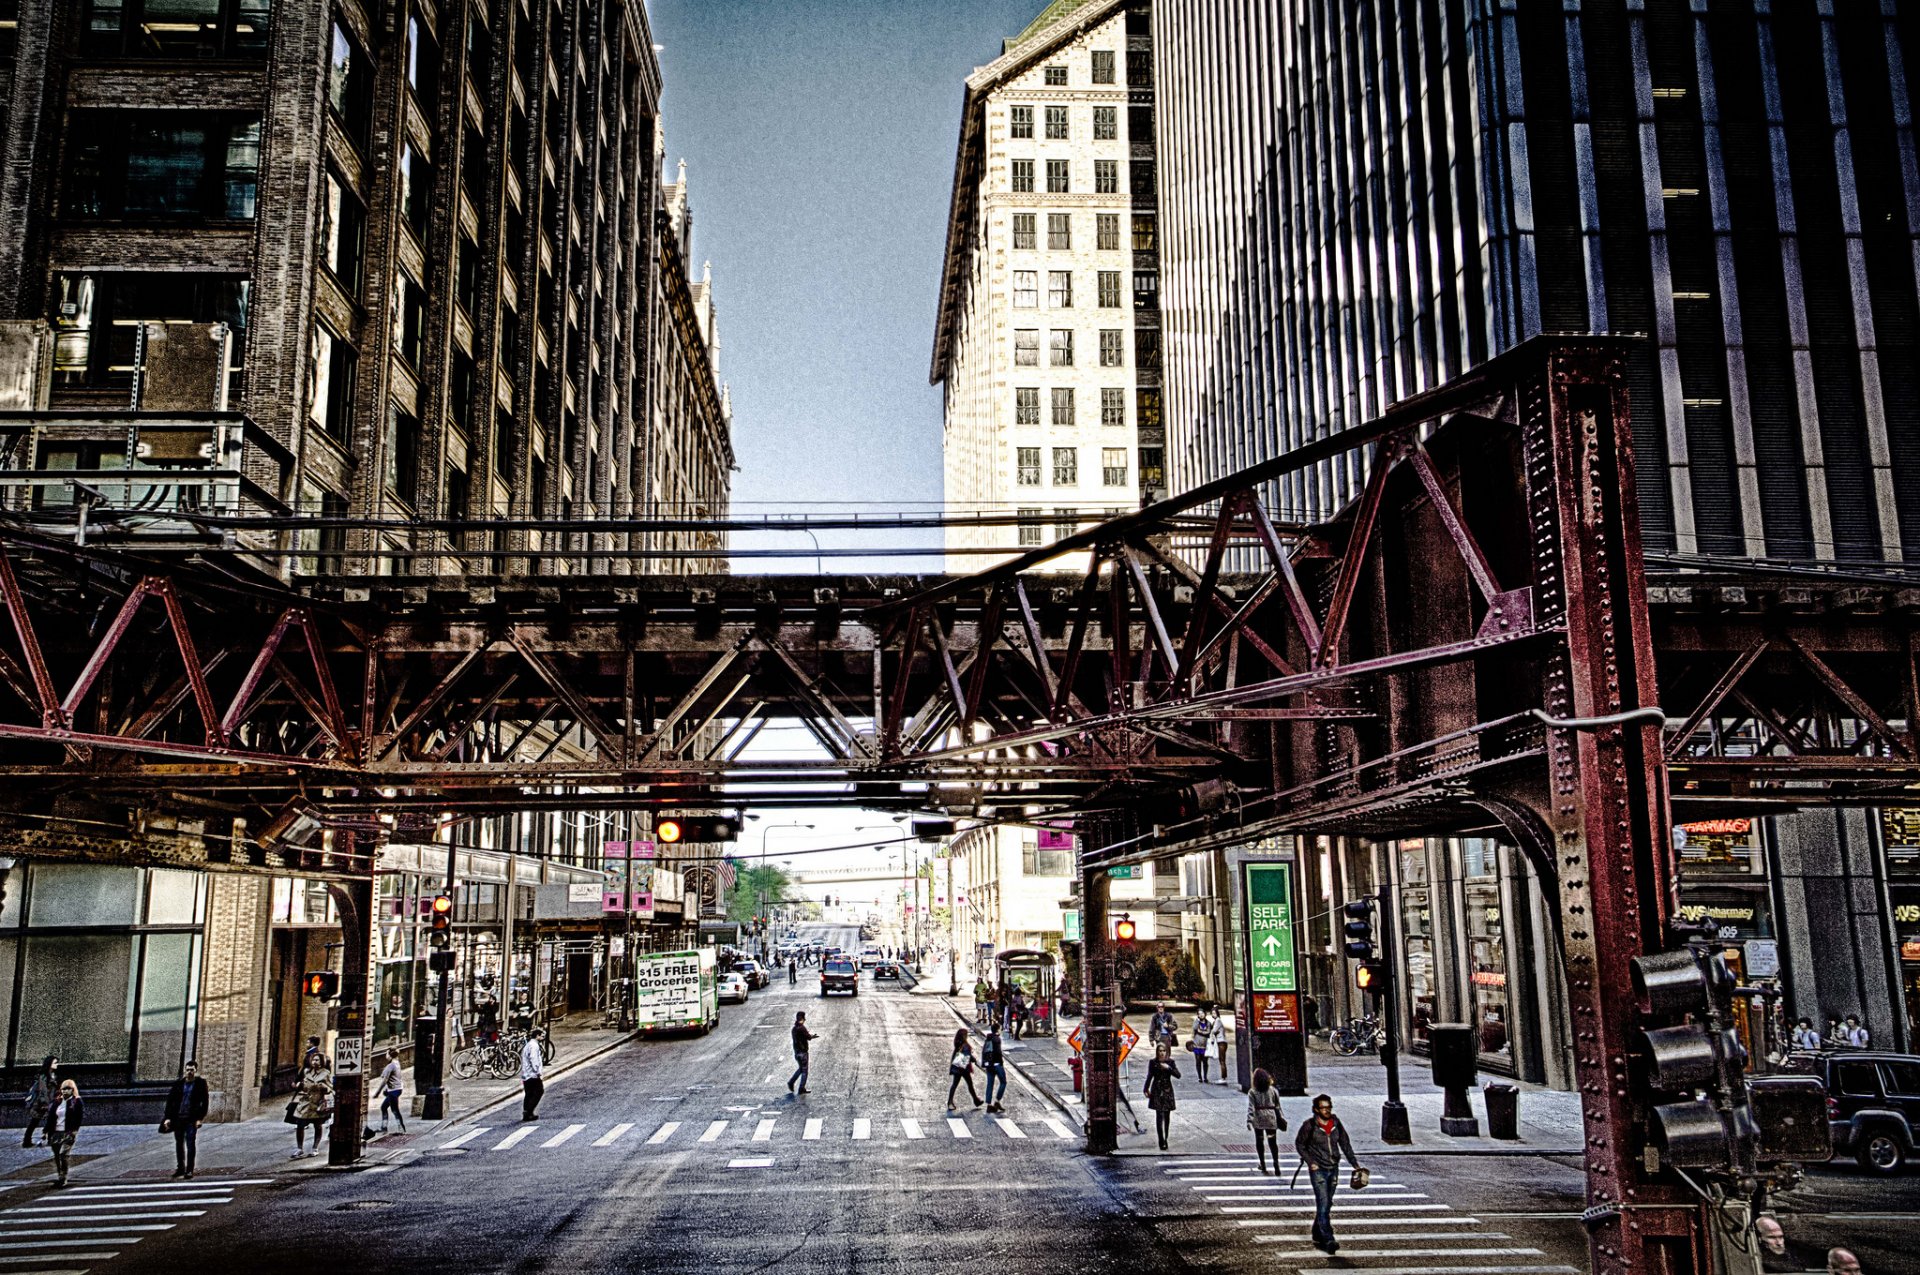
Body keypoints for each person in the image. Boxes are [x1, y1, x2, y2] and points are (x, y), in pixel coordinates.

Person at [1294, 1093, 1362, 1255]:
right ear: (1316, 1109)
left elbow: (1345, 1144)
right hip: (1318, 1170)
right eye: (1323, 1108)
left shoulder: (1335, 1123)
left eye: (1328, 1107)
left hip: (1333, 1167)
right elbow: (1300, 1145)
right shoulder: (1309, 1126)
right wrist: (1311, 1162)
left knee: (1327, 1203)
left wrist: (1355, 1164)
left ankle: (1317, 1232)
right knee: (1323, 1203)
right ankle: (1328, 1239)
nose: (1326, 1110)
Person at [160, 1059, 209, 1179]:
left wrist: (199, 1118)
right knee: (179, 1144)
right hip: (178, 1119)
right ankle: (180, 1168)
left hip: (191, 1119)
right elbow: (170, 1102)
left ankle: (189, 1169)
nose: (189, 1072)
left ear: (196, 1070)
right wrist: (167, 1118)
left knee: (190, 1144)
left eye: (192, 1070)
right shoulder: (178, 1084)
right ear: (185, 1070)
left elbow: (205, 1102)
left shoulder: (200, 1084)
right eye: (187, 1070)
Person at [43, 1079, 82, 1187]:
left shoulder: (76, 1101)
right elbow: (50, 1117)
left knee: (63, 1154)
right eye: (64, 1089)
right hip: (55, 1132)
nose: (65, 1091)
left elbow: (78, 1118)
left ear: (72, 1090)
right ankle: (60, 1175)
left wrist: (74, 1131)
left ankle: (63, 1177)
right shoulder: (57, 1102)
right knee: (57, 1155)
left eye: (68, 1089)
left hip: (68, 1132)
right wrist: (45, 1131)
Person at [1246, 1067, 1286, 1172]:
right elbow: (1278, 1106)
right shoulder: (1273, 1090)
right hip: (1271, 1116)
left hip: (1259, 1117)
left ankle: (1263, 1164)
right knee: (1272, 1141)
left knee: (1259, 1141)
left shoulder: (1252, 1091)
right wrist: (1281, 1117)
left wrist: (1249, 1120)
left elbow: (1251, 1107)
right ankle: (1276, 1162)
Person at [291, 1057, 332, 1159]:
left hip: (317, 1103)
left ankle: (315, 1148)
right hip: (305, 1102)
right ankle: (299, 1148)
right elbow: (304, 1085)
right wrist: (300, 1086)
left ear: (322, 1062)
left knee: (317, 1125)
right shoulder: (307, 1071)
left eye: (317, 1060)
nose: (315, 1062)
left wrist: (324, 1088)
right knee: (300, 1124)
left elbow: (330, 1088)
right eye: (313, 1060)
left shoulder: (326, 1073)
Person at [1144, 1043, 1181, 1150]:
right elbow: (1149, 1076)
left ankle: (1165, 1138)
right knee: (1159, 1115)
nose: (1162, 1053)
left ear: (1166, 1052)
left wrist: (1168, 1068)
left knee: (1167, 1116)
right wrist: (1146, 1089)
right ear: (1157, 1052)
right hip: (1156, 1090)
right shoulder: (1153, 1062)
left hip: (1167, 1090)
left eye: (1163, 1051)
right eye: (1160, 1051)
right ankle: (1161, 1140)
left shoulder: (1170, 1062)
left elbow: (1178, 1075)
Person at [21, 1056, 56, 1149]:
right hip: (41, 1103)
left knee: (50, 1121)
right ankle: (26, 1141)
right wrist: (45, 1103)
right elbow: (42, 1091)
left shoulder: (52, 1075)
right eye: (55, 1063)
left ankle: (50, 1139)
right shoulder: (43, 1076)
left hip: (48, 1102)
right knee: (35, 1121)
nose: (57, 1064)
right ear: (49, 1064)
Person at [947, 1027, 983, 1110]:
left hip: (958, 1067)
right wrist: (975, 1060)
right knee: (969, 1085)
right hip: (963, 1068)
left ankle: (975, 1100)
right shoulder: (965, 1045)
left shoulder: (958, 1043)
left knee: (955, 1085)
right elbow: (968, 1056)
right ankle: (975, 1100)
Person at [519, 1027, 546, 1121]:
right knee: (539, 1091)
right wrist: (537, 1072)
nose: (543, 1037)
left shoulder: (529, 1045)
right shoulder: (534, 1046)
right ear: (537, 1036)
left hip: (526, 1073)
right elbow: (534, 1059)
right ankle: (529, 1112)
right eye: (541, 1035)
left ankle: (526, 1112)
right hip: (532, 1074)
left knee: (529, 1093)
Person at [981, 1023, 1008, 1113]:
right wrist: (1000, 1062)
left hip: (989, 1065)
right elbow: (998, 1052)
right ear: (997, 1030)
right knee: (1003, 1082)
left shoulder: (987, 1039)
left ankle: (988, 1104)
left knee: (990, 1084)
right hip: (997, 1064)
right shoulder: (997, 1039)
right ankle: (997, 1101)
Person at [788, 1012, 816, 1095]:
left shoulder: (794, 1028)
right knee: (804, 1071)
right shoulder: (802, 1028)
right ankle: (801, 1088)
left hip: (796, 1053)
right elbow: (808, 1037)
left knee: (801, 1069)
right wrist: (812, 1036)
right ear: (803, 1019)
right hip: (803, 1053)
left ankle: (791, 1082)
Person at [377, 1050, 405, 1134]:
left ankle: (401, 1129)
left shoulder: (391, 1065)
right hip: (396, 1089)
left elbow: (385, 1079)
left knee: (395, 1110)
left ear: (390, 1055)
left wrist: (377, 1092)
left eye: (386, 1053)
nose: (385, 1055)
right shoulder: (397, 1063)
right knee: (384, 1107)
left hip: (393, 1090)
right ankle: (384, 1127)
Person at [1189, 1008, 1215, 1083]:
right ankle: (1199, 1077)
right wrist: (1197, 1021)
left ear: (1205, 1013)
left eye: (1202, 1013)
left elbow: (1208, 1032)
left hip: (1205, 1045)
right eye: (1199, 1014)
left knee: (1205, 1061)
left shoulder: (1208, 1023)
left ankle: (1205, 1077)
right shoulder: (1196, 1022)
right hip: (1196, 1044)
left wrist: (1201, 1031)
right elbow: (1194, 1028)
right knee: (1198, 1061)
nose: (1201, 1015)